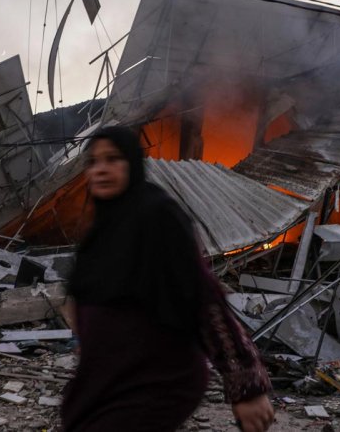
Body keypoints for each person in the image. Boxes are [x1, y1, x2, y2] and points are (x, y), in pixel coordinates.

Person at [60, 126, 275, 432]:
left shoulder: (157, 215)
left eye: (112, 159)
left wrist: (246, 386)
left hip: (157, 378)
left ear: (133, 163)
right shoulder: (99, 232)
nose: (101, 169)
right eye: (93, 162)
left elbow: (204, 296)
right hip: (110, 383)